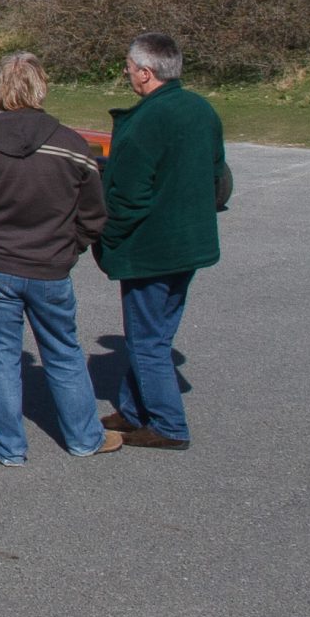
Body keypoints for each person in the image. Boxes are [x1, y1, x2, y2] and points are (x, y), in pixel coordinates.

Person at [0, 50, 120, 465]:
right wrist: (69, 249)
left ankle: (10, 447)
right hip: (49, 266)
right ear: (40, 87)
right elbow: (93, 214)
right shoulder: (71, 145)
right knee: (64, 353)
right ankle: (84, 438)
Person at [100, 31, 231, 451]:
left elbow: (127, 195)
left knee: (147, 339)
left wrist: (105, 238)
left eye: (129, 67)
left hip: (152, 248)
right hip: (189, 245)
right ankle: (133, 409)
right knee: (155, 333)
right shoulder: (201, 109)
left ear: (145, 72)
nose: (126, 73)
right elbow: (218, 175)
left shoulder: (146, 121)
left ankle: (168, 424)